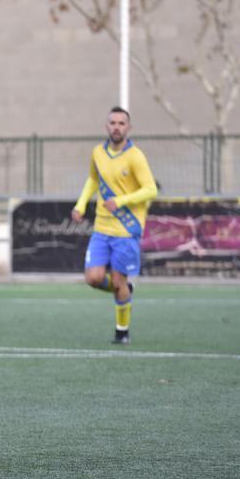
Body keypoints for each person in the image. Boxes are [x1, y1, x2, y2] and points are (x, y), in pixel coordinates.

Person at [70, 106, 158, 344]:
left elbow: (151, 189)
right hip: (101, 228)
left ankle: (122, 331)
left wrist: (120, 201)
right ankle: (125, 289)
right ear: (106, 126)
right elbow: (93, 179)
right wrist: (80, 205)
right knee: (93, 278)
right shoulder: (97, 152)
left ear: (128, 127)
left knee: (118, 283)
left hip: (125, 230)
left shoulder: (135, 156)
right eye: (112, 123)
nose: (116, 127)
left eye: (121, 123)